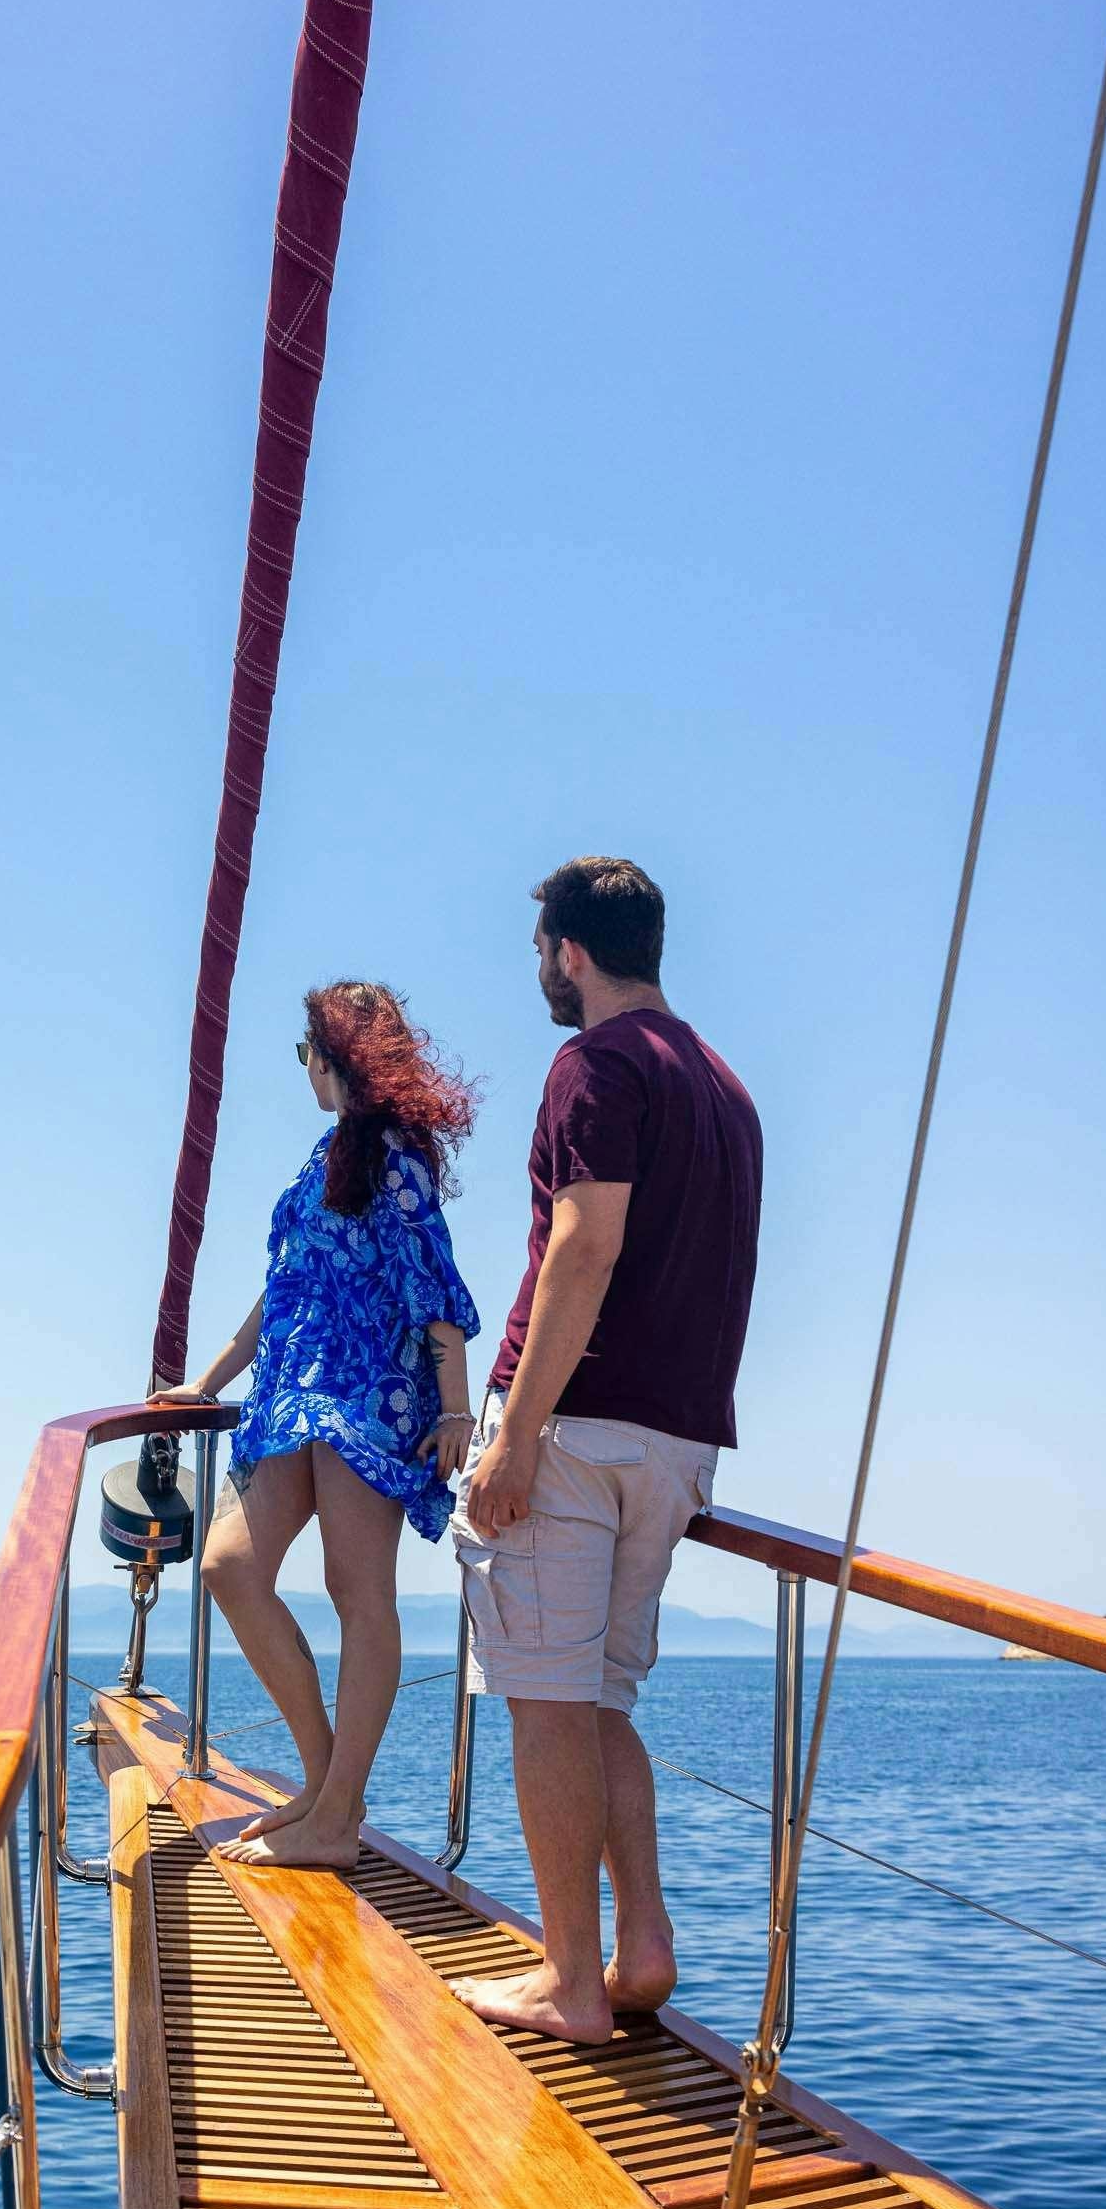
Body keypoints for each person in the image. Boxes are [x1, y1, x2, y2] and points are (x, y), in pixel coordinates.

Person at [451, 858, 761, 2043]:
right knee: (598, 1701)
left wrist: (514, 1436)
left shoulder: (594, 1063)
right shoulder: (722, 1085)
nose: (538, 969)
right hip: (678, 1442)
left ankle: (570, 1984)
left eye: (541, 949)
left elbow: (583, 1245)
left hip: (573, 1434)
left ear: (568, 952)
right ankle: (639, 1948)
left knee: (541, 1703)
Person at [164, 981, 480, 1871]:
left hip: (369, 1398)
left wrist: (455, 1409)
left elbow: (437, 1294)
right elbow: (286, 1286)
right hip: (293, 1396)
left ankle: (336, 1817)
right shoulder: (326, 1155)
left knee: (357, 1592)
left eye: (307, 1053)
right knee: (231, 1564)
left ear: (335, 1058)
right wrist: (207, 1382)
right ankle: (321, 1784)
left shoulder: (396, 1160)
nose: (304, 1070)